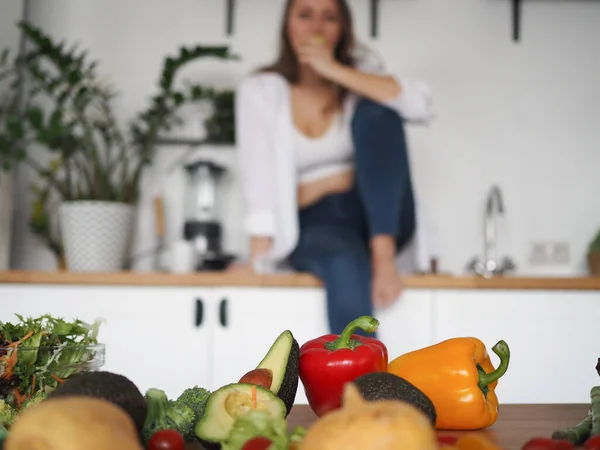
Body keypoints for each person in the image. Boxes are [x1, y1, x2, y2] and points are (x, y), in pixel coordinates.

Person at [231, 0, 433, 336]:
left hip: (379, 216)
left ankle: (382, 257)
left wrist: (332, 70)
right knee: (343, 261)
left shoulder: (361, 79)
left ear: (343, 29)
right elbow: (264, 186)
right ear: (288, 24)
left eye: (330, 17)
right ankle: (362, 387)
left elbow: (420, 104)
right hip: (316, 222)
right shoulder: (260, 92)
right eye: (305, 15)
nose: (316, 27)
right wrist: (258, 262)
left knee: (378, 110)